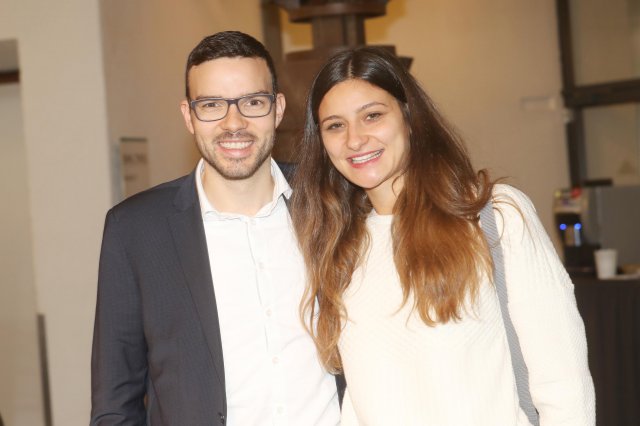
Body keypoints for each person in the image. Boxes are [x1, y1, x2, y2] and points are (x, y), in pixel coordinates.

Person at [290, 46, 595, 426]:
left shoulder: (493, 215)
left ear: (409, 117)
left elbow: (564, 384)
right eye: (335, 125)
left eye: (372, 116)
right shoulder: (337, 246)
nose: (355, 139)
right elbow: (361, 398)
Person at [91, 31, 342, 425]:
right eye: (211, 105)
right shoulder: (136, 230)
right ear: (188, 116)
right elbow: (115, 404)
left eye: (253, 102)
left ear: (277, 109)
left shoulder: (333, 203)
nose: (234, 123)